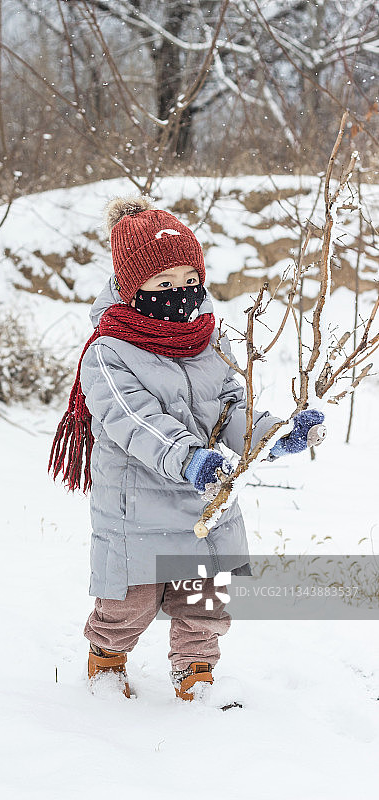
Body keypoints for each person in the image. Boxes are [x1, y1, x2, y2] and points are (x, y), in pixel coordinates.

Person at [48, 195, 325, 704]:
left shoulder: (209, 343)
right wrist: (188, 457)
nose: (180, 295)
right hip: (138, 511)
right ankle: (106, 660)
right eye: (163, 285)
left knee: (205, 606)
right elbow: (137, 422)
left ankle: (196, 673)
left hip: (208, 504)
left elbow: (230, 411)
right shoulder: (109, 353)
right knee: (128, 605)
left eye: (188, 282)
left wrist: (274, 434)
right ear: (133, 289)